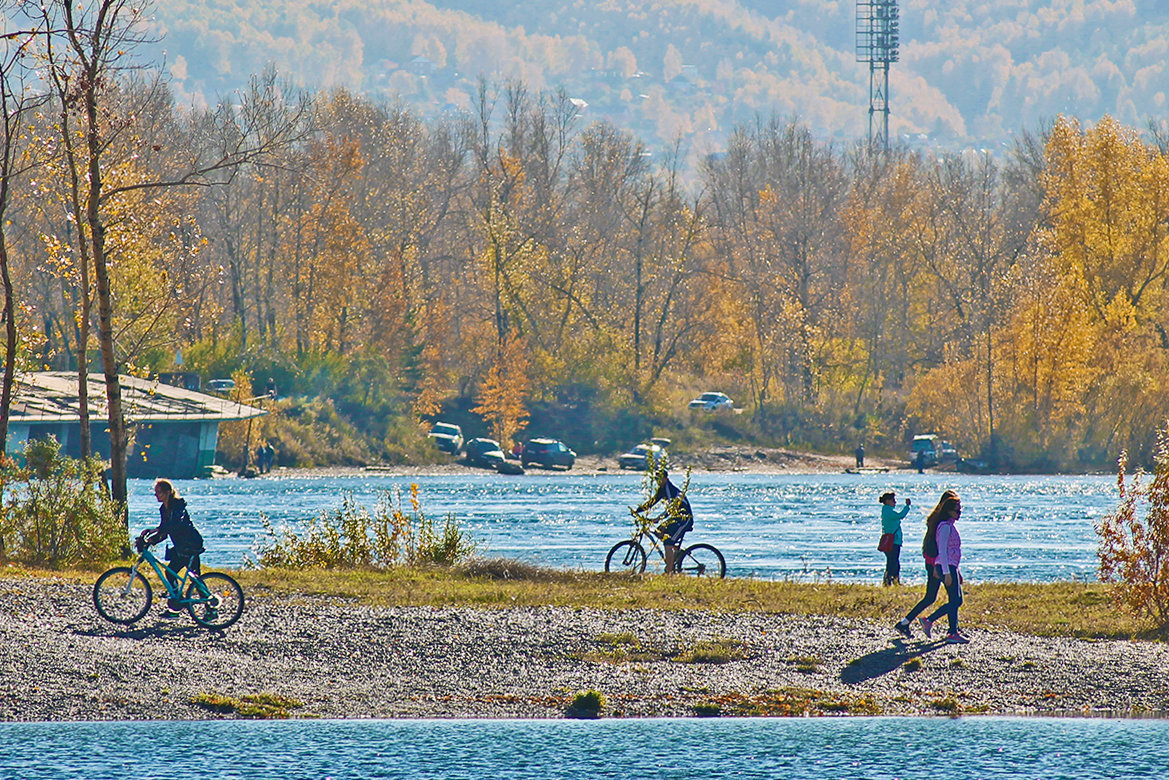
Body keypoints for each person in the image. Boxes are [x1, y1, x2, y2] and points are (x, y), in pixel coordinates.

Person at [894, 490, 963, 641]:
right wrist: (936, 568)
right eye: (957, 507)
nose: (960, 511)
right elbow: (934, 547)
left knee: (932, 597)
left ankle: (906, 623)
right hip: (935, 564)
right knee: (950, 599)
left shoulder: (940, 521)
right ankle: (943, 627)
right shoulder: (939, 523)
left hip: (939, 564)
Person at [136, 479, 205, 618]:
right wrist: (151, 540)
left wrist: (155, 529)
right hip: (180, 547)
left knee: (195, 578)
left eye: (159, 492)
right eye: (155, 493)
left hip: (190, 544)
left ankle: (211, 610)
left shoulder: (178, 506)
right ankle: (175, 605)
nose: (156, 495)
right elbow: (165, 532)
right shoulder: (164, 509)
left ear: (167, 492)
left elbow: (175, 524)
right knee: (171, 572)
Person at [633, 467, 693, 574]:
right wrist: (637, 511)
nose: (658, 481)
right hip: (675, 519)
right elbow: (652, 502)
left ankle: (669, 571)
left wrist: (658, 518)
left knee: (667, 541)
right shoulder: (662, 490)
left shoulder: (670, 490)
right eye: (656, 479)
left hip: (684, 519)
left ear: (666, 478)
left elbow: (672, 509)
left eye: (660, 479)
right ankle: (677, 553)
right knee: (658, 532)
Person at [879, 491, 911, 586]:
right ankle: (891, 582)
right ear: (887, 501)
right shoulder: (888, 511)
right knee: (893, 563)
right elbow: (900, 516)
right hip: (893, 541)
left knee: (893, 563)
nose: (895, 502)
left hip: (893, 541)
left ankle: (891, 582)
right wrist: (907, 506)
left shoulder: (887, 510)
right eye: (893, 500)